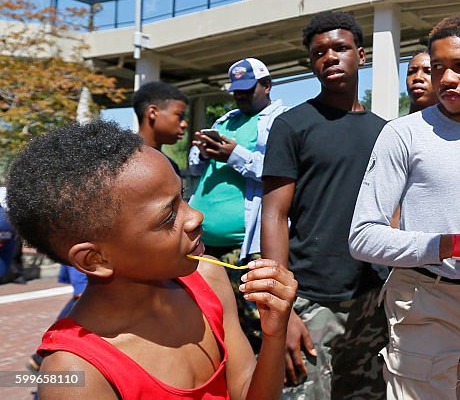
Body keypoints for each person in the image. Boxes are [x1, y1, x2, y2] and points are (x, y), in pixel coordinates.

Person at [4, 119, 298, 400]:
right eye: (168, 216)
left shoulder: (208, 279)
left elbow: (247, 391)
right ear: (95, 259)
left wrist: (273, 334)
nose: (196, 217)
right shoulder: (76, 371)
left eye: (183, 197)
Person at [350, 14, 460, 399]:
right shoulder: (404, 134)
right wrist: (450, 245)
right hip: (425, 302)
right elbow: (363, 238)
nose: (447, 79)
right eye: (438, 69)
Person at [262, 10, 389, 399]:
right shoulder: (292, 126)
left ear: (361, 55)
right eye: (319, 52)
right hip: (311, 299)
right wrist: (281, 311)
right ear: (312, 63)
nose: (330, 57)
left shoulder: (385, 131)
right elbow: (274, 213)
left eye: (340, 48)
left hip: (372, 299)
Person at [188, 57, 288, 351]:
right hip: (205, 245)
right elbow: (194, 169)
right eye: (236, 90)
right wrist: (204, 153)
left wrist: (234, 155)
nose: (240, 95)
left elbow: (279, 170)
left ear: (267, 85)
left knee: (253, 322)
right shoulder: (225, 120)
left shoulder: (281, 120)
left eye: (248, 88)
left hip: (244, 245)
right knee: (210, 321)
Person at [132, 81, 189, 177]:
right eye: (179, 116)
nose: (184, 124)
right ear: (153, 113)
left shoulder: (171, 167)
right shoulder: (120, 160)